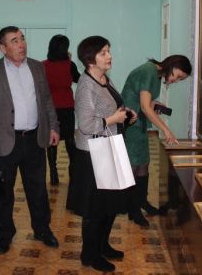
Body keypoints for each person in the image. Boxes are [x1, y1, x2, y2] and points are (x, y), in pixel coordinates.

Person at [0, 26, 60, 255]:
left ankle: (42, 229)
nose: (21, 44)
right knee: (3, 193)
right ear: (3, 48)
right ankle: (5, 234)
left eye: (22, 39)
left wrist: (53, 126)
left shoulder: (37, 67)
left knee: (38, 190)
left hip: (34, 139)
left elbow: (46, 100)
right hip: (3, 142)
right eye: (14, 41)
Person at [70, 35, 137, 272]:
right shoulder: (86, 85)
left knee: (110, 204)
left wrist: (125, 115)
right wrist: (113, 119)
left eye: (109, 51)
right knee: (95, 209)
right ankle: (89, 254)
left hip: (110, 147)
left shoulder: (104, 79)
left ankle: (102, 245)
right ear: (90, 59)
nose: (109, 56)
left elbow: (111, 108)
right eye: (103, 53)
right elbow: (86, 124)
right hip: (94, 153)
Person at [121, 55, 192, 227]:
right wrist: (165, 129)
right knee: (133, 167)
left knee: (143, 164)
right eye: (178, 76)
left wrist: (154, 103)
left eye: (180, 80)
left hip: (139, 124)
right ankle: (133, 209)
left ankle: (141, 202)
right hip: (130, 124)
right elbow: (145, 107)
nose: (175, 81)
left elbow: (145, 101)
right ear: (173, 66)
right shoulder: (149, 72)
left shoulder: (156, 74)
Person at [42, 34, 81, 186]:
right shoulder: (70, 65)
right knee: (70, 139)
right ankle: (73, 172)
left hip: (50, 108)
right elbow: (79, 79)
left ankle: (53, 175)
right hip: (67, 107)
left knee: (52, 141)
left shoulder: (43, 65)